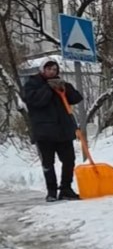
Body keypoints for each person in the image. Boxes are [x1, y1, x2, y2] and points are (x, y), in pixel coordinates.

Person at [21, 60, 83, 202]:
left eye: (54, 69)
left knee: (69, 160)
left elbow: (76, 98)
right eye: (49, 69)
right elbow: (36, 101)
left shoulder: (60, 84)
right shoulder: (33, 84)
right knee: (48, 163)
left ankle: (66, 189)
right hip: (45, 132)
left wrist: (65, 87)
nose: (52, 72)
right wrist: (48, 88)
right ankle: (52, 192)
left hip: (63, 130)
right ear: (43, 70)